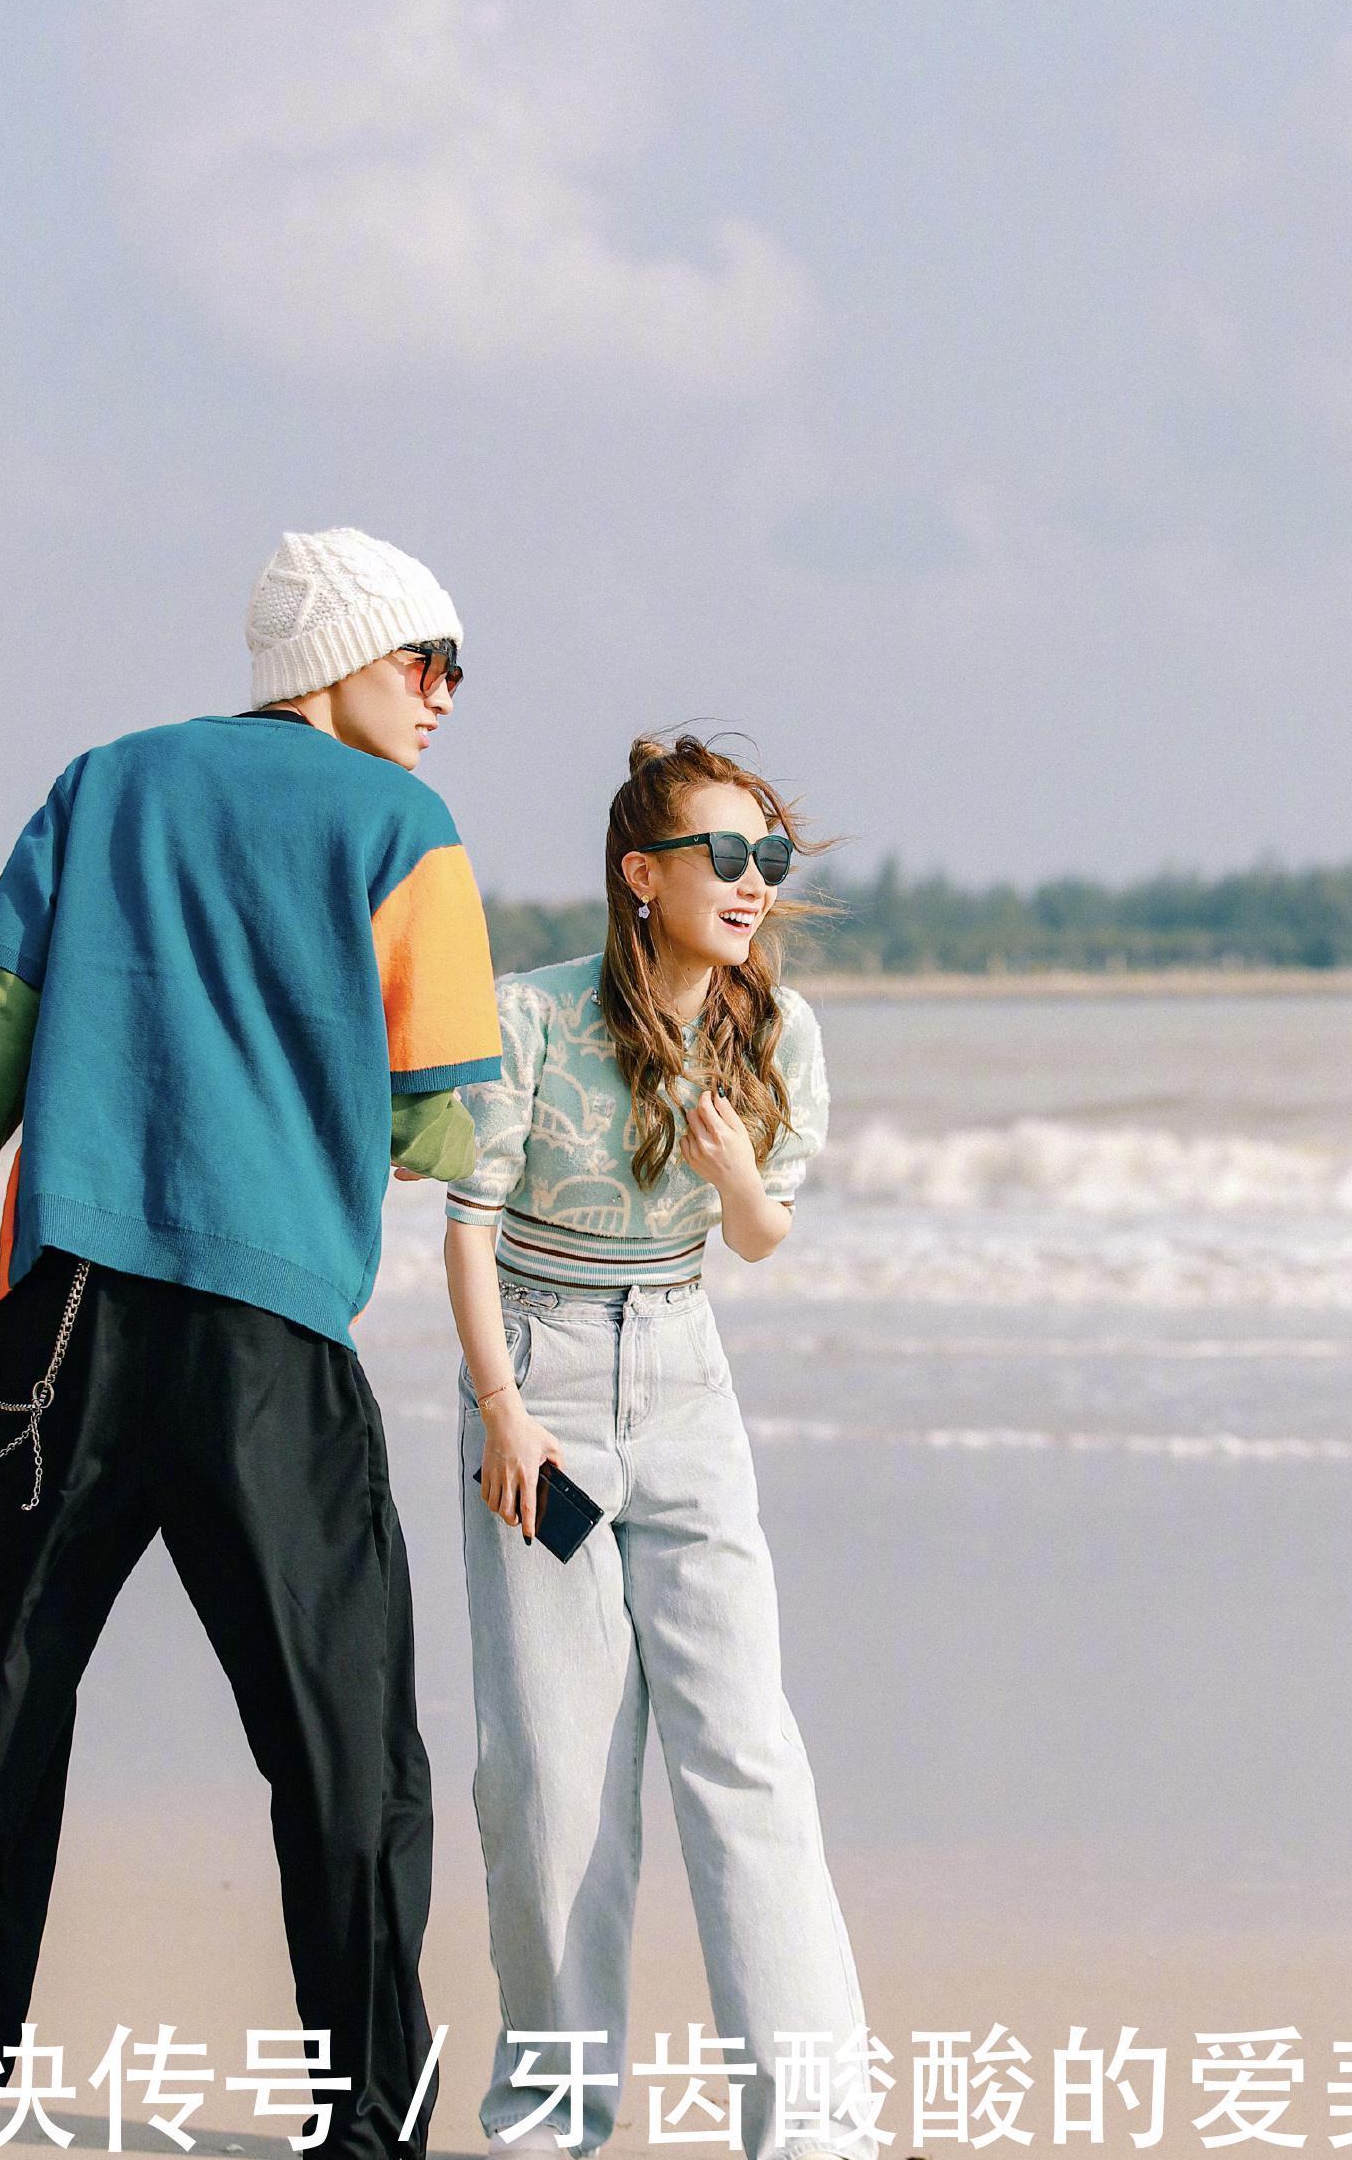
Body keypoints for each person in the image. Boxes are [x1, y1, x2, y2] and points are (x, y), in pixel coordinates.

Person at [0, 526, 503, 2160]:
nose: (447, 697)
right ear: (336, 658)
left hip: (72, 1321)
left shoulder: (102, 782)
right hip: (267, 1348)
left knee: (3, 1701)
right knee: (344, 1746)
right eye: (427, 661)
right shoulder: (404, 826)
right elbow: (440, 1121)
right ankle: (369, 2129)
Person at [441, 734, 879, 2160]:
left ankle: (813, 2126)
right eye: (724, 856)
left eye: (769, 858)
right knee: (554, 1776)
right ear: (643, 874)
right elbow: (464, 1223)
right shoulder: (532, 1018)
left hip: (688, 1384)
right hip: (540, 1384)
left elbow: (760, 1236)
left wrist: (739, 1174)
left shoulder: (782, 1034)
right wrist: (505, 1408)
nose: (752, 884)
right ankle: (551, 2121)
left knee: (746, 1753)